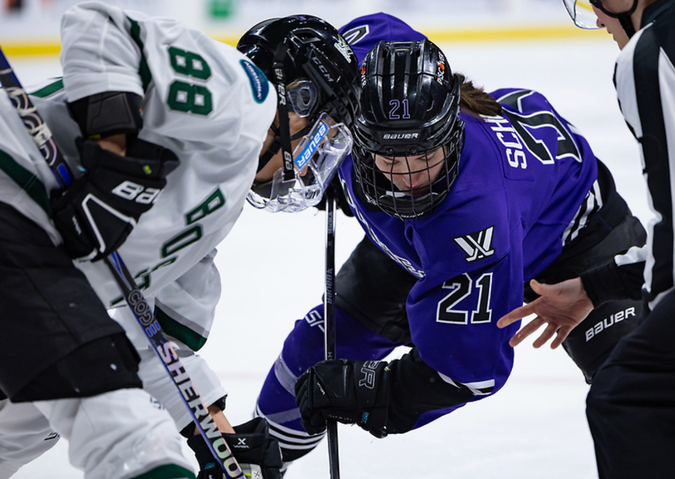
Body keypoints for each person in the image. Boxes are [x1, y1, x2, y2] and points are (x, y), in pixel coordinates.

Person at [250, 12, 647, 471]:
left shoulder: (471, 212)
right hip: (436, 235)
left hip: (574, 239)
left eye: (424, 155)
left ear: (450, 131)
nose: (407, 179)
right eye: (387, 156)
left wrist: (370, 391)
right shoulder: (357, 76)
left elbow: (468, 370)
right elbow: (381, 31)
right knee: (312, 351)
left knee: (646, 392)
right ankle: (254, 462)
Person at [0, 3, 360, 478]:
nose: (318, 159)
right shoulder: (242, 95)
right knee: (116, 421)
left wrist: (217, 436)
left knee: (49, 412)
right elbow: (98, 25)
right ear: (298, 99)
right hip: (14, 197)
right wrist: (115, 160)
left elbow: (153, 339)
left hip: (35, 281)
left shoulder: (221, 205)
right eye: (324, 132)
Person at [498, 1, 675, 477]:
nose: (596, 16)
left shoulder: (657, 49)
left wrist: (662, 345)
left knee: (629, 395)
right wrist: (597, 286)